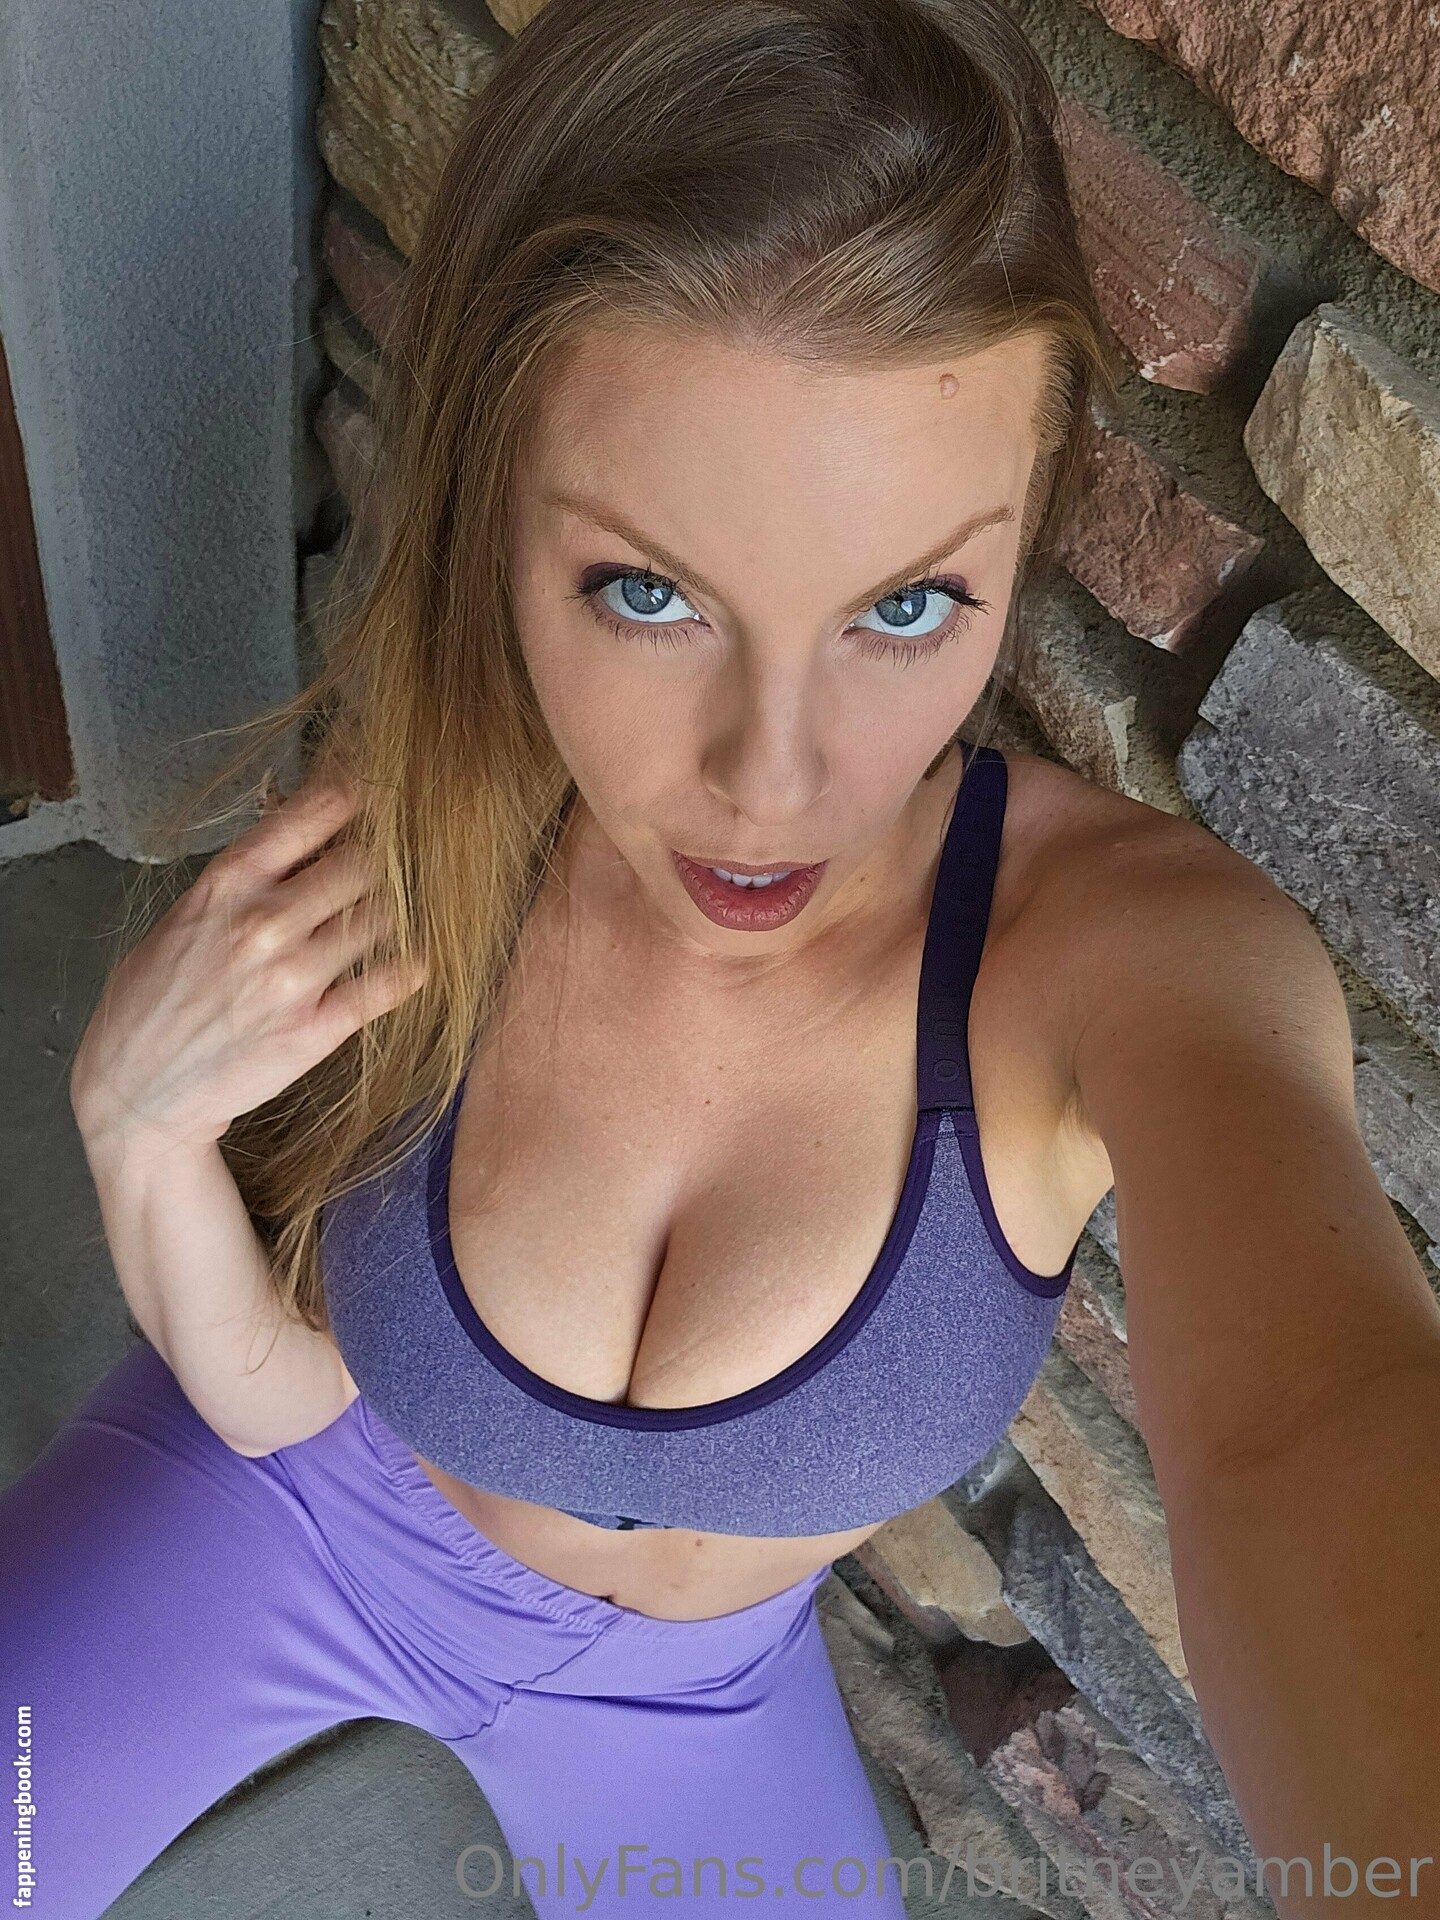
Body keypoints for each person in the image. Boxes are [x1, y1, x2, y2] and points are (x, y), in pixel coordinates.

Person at [6, 0, 1439, 1914]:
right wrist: (137, 1135)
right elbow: (279, 1400)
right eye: (648, 591)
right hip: (292, 1507)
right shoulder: (443, 807)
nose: (772, 784)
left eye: (907, 605)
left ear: (1026, 521)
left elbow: (1307, 1436)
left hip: (684, 1709)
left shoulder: (1121, 957)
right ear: (497, 513)